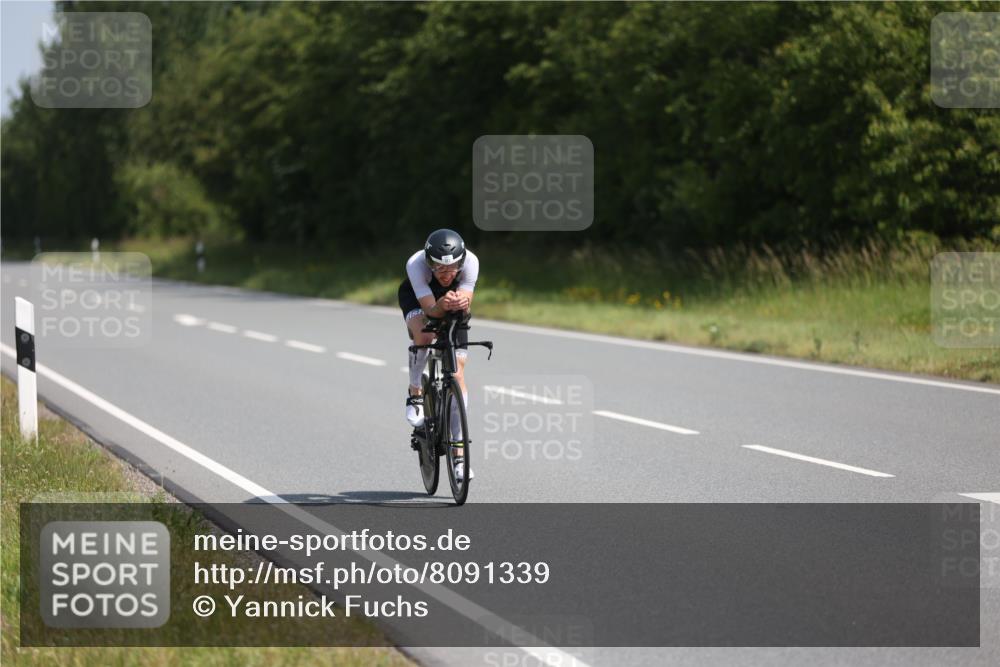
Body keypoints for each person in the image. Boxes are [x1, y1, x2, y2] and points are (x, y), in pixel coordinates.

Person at [397, 229, 479, 481]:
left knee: (457, 372)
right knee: (424, 335)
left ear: (462, 262)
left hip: (450, 305)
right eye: (440, 269)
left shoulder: (472, 262)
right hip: (418, 299)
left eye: (453, 269)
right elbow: (431, 310)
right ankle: (415, 393)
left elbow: (465, 300)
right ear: (429, 263)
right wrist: (441, 305)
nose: (446, 275)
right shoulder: (416, 264)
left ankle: (459, 456)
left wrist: (458, 303)